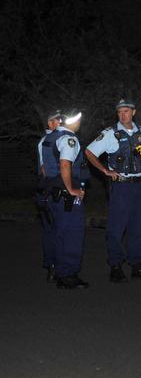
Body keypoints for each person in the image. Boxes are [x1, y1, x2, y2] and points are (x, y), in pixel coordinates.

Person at [85, 99, 141, 283]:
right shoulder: (111, 134)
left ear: (134, 112)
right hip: (121, 186)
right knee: (116, 227)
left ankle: (137, 265)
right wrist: (105, 171)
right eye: (120, 112)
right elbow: (89, 152)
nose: (123, 114)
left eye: (126, 111)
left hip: (138, 186)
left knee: (138, 226)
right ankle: (116, 266)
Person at [40, 109, 90, 289]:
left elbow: (44, 169)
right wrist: (71, 189)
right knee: (71, 234)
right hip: (66, 196)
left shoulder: (46, 139)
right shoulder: (69, 139)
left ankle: (54, 268)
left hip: (50, 194)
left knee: (55, 233)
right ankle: (67, 275)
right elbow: (65, 163)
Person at [36, 110, 63, 282]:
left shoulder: (58, 139)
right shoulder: (46, 142)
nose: (58, 123)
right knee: (53, 229)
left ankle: (56, 264)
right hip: (49, 190)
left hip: (51, 189)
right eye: (54, 120)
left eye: (59, 120)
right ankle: (53, 265)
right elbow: (44, 169)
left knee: (55, 229)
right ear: (50, 123)